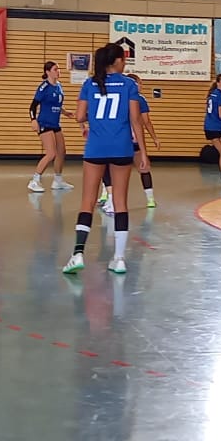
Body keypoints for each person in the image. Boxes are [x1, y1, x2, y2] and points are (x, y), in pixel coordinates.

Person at [65, 42, 141, 274]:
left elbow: (79, 117)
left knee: (87, 201)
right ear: (116, 61)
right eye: (123, 59)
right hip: (122, 148)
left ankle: (78, 253)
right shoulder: (129, 84)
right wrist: (144, 153)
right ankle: (119, 258)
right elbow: (135, 120)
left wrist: (95, 114)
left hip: (96, 148)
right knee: (120, 202)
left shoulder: (90, 84)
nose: (125, 63)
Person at [28, 60, 71, 193]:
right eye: (55, 69)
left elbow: (56, 104)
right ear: (47, 72)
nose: (58, 71)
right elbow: (33, 105)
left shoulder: (59, 86)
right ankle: (35, 180)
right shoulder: (44, 87)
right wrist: (33, 120)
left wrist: (65, 112)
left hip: (55, 123)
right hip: (44, 123)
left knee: (61, 152)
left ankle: (58, 180)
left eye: (58, 69)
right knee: (51, 153)